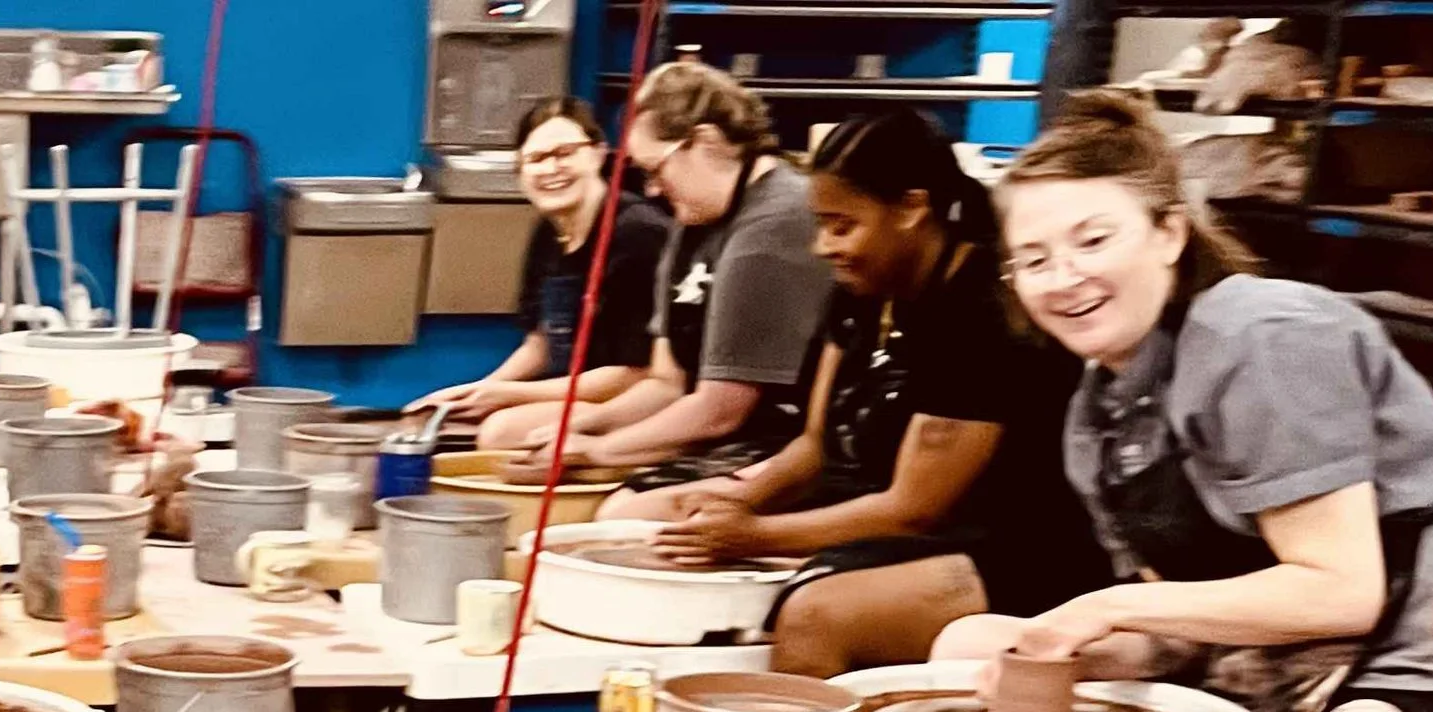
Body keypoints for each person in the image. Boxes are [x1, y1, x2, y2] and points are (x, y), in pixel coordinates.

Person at [939, 89, 1433, 712]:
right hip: (1285, 652)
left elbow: (1341, 591)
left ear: (1169, 232)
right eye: (1034, 259)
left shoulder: (1264, 335)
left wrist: (1106, 608)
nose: (1064, 278)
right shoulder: (1102, 410)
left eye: (1094, 240)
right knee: (972, 651)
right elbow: (1184, 619)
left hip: (1414, 647)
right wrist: (1062, 645)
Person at [626, 109, 1107, 675]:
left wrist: (753, 536)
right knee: (668, 534)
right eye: (821, 224)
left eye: (841, 226)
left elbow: (912, 510)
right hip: (889, 518)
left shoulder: (983, 315)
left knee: (816, 614)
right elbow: (814, 446)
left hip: (1018, 546)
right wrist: (738, 506)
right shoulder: (860, 292)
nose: (822, 246)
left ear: (911, 208)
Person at [554, 64, 834, 481]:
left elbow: (721, 410)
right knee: (520, 442)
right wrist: (577, 427)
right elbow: (666, 383)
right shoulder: (692, 222)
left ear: (705, 141)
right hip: (717, 430)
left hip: (786, 439)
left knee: (624, 506)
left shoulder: (776, 224)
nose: (651, 189)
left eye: (655, 169)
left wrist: (596, 451)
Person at [407, 99, 669, 453]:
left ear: (598, 153)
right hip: (577, 391)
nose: (551, 169)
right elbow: (542, 344)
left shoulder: (637, 234)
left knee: (502, 433)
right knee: (440, 423)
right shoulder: (548, 233)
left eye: (564, 153)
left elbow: (636, 373)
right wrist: (473, 394)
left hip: (639, 400)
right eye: (536, 159)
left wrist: (508, 395)